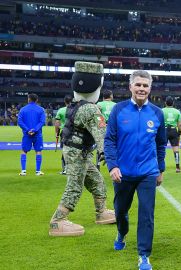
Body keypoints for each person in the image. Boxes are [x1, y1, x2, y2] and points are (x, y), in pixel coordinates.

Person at [104, 70, 167, 270]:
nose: (141, 89)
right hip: (123, 172)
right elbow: (110, 140)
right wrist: (113, 165)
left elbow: (160, 144)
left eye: (145, 85)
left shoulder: (157, 113)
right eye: (138, 85)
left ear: (150, 88)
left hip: (148, 172)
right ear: (130, 87)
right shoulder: (118, 110)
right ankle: (122, 232)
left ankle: (144, 256)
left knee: (147, 214)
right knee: (120, 210)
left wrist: (160, 169)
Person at [49, 62, 116, 237]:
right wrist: (108, 156)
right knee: (74, 186)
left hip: (79, 152)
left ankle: (101, 212)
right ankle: (57, 221)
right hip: (77, 153)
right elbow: (102, 135)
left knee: (97, 181)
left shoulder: (75, 104)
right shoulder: (91, 110)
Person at [17, 93, 46, 176]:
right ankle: (38, 171)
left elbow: (20, 121)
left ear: (28, 99)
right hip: (37, 134)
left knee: (24, 151)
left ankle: (23, 171)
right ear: (37, 100)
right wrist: (35, 130)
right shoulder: (41, 110)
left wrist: (27, 130)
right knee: (38, 151)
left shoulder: (23, 109)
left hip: (27, 134)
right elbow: (42, 121)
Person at [162, 96, 181, 173]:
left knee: (162, 148)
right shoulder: (177, 111)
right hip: (173, 130)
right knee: (176, 149)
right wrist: (179, 133)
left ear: (165, 103)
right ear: (173, 103)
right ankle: (177, 167)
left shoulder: (162, 111)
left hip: (165, 130)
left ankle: (161, 167)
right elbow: (179, 124)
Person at [96, 90, 116, 169]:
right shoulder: (115, 105)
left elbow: (97, 116)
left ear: (103, 97)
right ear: (111, 96)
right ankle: (114, 165)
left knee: (100, 145)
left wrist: (102, 124)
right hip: (112, 127)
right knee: (113, 145)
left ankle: (98, 165)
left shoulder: (99, 104)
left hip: (102, 127)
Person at [55, 95, 73, 175]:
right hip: (74, 132)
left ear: (64, 101)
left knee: (65, 150)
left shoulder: (61, 110)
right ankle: (73, 169)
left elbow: (57, 123)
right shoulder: (74, 110)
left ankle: (65, 170)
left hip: (64, 132)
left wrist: (56, 134)